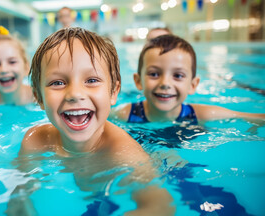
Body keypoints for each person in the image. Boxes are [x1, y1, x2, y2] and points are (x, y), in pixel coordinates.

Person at [11, 27, 174, 215]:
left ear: (113, 92)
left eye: (92, 80)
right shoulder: (35, 141)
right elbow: (19, 196)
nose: (75, 94)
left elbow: (160, 206)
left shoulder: (124, 154)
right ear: (38, 97)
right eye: (57, 83)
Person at [111, 34, 265, 124]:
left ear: (193, 84)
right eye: (154, 74)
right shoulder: (124, 114)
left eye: (178, 76)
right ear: (138, 81)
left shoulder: (202, 114)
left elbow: (254, 118)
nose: (165, 83)